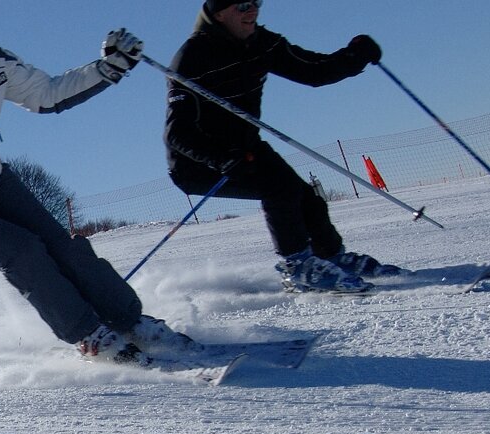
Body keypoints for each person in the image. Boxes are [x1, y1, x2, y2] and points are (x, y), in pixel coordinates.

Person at [0, 0, 204, 366]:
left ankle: (130, 321)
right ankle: (90, 336)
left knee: (61, 246)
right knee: (21, 249)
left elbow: (48, 94)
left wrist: (109, 68)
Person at [164, 0, 404, 293]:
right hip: (198, 163)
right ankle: (298, 268)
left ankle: (331, 258)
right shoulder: (192, 57)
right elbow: (177, 134)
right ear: (219, 13)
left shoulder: (261, 43)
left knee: (307, 198)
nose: (252, 11)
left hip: (246, 147)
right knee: (280, 188)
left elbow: (314, 71)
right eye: (242, 6)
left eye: (256, 3)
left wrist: (354, 56)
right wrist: (221, 158)